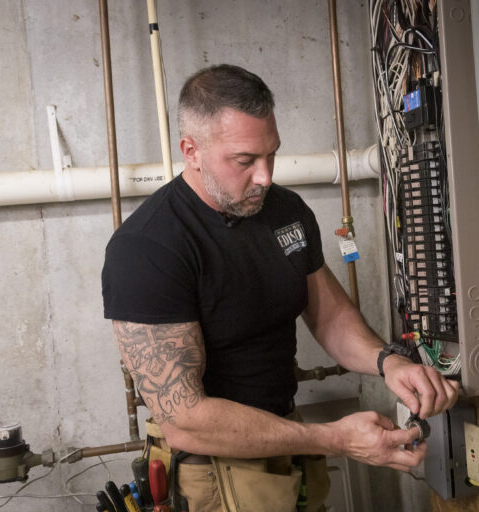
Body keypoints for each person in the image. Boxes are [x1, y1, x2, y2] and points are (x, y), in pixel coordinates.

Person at [102, 64, 459, 511]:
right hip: (212, 468)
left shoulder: (284, 210)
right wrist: (333, 439)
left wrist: (387, 362)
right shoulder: (148, 248)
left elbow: (328, 315)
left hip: (287, 441)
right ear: (191, 150)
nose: (265, 176)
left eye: (271, 154)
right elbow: (186, 420)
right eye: (245, 160)